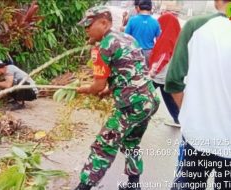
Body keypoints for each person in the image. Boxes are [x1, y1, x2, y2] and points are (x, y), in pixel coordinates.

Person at [75, 6, 159, 190]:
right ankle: (133, 185)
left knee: (103, 145)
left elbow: (97, 85)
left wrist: (86, 90)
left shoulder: (103, 47)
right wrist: (110, 90)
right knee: (131, 142)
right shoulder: (127, 38)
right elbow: (130, 71)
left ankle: (83, 187)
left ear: (104, 22)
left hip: (132, 105)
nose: (86, 30)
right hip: (150, 100)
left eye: (89, 25)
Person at [165, 0, 231, 189]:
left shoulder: (196, 26)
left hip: (197, 135)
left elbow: (173, 81)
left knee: (189, 183)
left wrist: (191, 114)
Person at [148, 12, 181, 127]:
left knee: (144, 92)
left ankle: (138, 115)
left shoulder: (167, 37)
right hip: (168, 73)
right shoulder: (175, 34)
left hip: (161, 73)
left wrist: (153, 71)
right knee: (168, 95)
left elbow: (164, 56)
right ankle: (178, 119)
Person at [125, 0, 160, 67]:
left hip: (134, 51)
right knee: (145, 73)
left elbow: (126, 37)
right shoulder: (155, 22)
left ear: (139, 7)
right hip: (148, 53)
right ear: (151, 8)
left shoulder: (132, 20)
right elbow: (158, 41)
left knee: (134, 73)